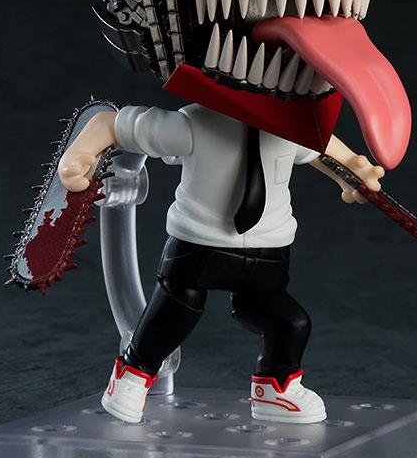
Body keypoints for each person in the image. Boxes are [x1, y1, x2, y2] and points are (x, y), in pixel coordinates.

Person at [60, 102, 384, 424]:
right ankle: (132, 374)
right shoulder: (196, 123)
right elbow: (114, 125)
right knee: (174, 313)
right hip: (198, 243)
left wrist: (352, 169)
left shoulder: (289, 127)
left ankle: (275, 389)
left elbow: (319, 147)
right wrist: (80, 153)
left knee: (290, 323)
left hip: (268, 249)